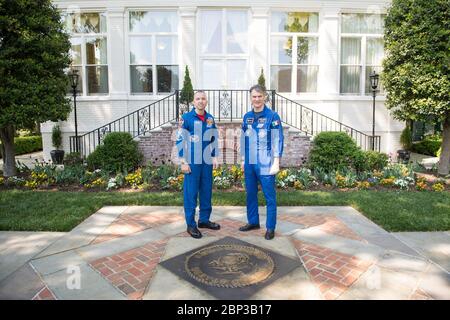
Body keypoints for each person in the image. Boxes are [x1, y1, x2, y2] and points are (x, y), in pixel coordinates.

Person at [239, 85, 284, 240]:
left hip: (266, 161)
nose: (256, 99)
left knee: (269, 196)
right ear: (250, 98)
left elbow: (278, 139)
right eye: (254, 96)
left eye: (259, 96)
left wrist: (276, 161)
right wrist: (243, 159)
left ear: (265, 97)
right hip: (250, 162)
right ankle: (253, 222)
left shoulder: (273, 116)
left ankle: (270, 227)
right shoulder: (247, 117)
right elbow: (244, 139)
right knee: (250, 193)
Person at [176, 91, 220, 239]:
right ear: (193, 102)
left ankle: (204, 220)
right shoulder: (186, 118)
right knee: (191, 193)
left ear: (206, 101)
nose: (201, 101)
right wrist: (183, 161)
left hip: (207, 161)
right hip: (192, 162)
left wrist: (214, 157)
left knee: (206, 191)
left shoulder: (210, 118)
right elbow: (180, 140)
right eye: (198, 99)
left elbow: (214, 138)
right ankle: (191, 224)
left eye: (203, 99)